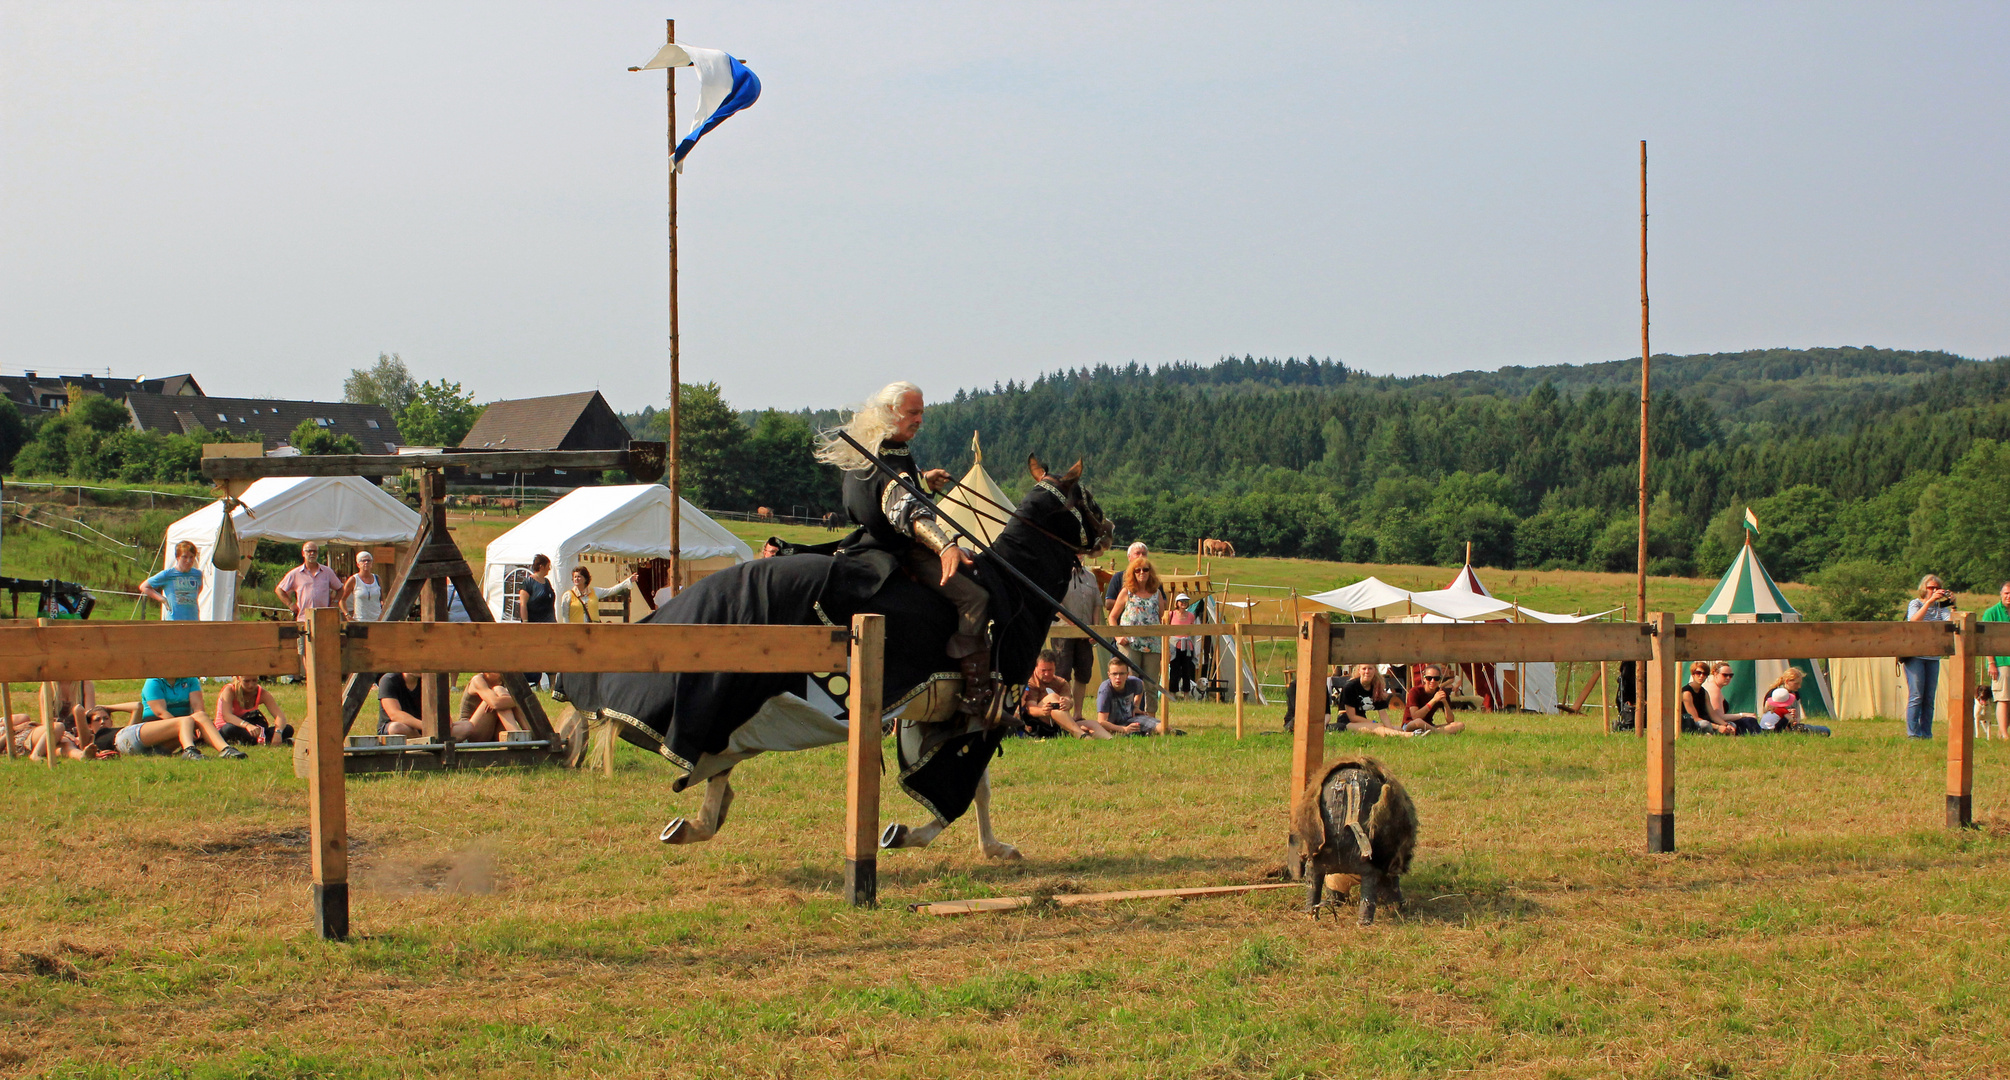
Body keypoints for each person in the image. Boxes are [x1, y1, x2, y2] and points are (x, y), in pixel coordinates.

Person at [817, 381, 994, 716]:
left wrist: (924, 481)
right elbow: (906, 511)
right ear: (890, 412)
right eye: (913, 412)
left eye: (921, 412)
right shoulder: (885, 456)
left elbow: (898, 492)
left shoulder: (881, 449)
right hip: (897, 548)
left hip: (880, 539)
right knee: (975, 598)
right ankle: (976, 695)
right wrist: (945, 548)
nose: (919, 420)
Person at [124, 676, 243, 759]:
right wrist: (186, 728)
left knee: (200, 715)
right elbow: (161, 712)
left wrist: (197, 728)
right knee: (185, 720)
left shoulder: (190, 680)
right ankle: (189, 749)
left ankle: (225, 749)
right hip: (157, 725)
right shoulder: (153, 682)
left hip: (184, 724)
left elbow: (198, 707)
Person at [1903, 574, 1957, 739]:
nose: (1934, 590)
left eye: (1936, 588)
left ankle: (1926, 734)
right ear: (1923, 589)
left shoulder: (1941, 608)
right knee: (1916, 695)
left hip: (1933, 656)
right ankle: (1913, 734)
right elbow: (1914, 620)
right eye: (1930, 588)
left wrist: (1953, 605)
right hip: (1915, 655)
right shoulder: (1916, 603)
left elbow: (1953, 623)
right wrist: (1929, 601)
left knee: (1929, 698)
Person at [1108, 556, 1165, 713]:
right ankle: (1129, 715)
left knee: (1151, 683)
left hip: (1152, 644)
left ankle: (1151, 718)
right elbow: (1112, 617)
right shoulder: (1127, 592)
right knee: (1131, 682)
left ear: (1150, 572)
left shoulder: (1157, 593)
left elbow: (1161, 618)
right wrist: (1118, 637)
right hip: (1130, 644)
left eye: (1145, 569)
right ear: (1132, 573)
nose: (1141, 573)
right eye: (1137, 570)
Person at [1021, 649, 1119, 739]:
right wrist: (1042, 711)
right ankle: (1080, 734)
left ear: (1055, 667)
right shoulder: (1031, 682)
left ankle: (1111, 740)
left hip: (1059, 725)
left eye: (1050, 670)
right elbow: (1031, 709)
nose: (1047, 673)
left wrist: (1068, 703)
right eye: (1043, 670)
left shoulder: (1061, 683)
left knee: (1092, 723)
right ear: (1035, 668)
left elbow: (1068, 700)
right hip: (1038, 724)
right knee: (1052, 697)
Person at [1049, 556, 1102, 712]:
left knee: (1083, 674)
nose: (1078, 556)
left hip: (1085, 634)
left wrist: (1095, 628)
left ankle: (1077, 714)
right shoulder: (1058, 574)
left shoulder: (1091, 576)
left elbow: (1097, 605)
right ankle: (1062, 714)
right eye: (1075, 552)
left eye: (1081, 553)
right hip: (1063, 631)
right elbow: (1055, 603)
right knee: (1062, 673)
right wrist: (1073, 624)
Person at [1335, 664, 1427, 738]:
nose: (1367, 671)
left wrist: (1391, 729)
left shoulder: (1375, 687)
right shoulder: (1350, 687)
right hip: (1347, 723)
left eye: (1370, 668)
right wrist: (1373, 722)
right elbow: (1352, 717)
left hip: (1363, 721)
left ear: (1375, 670)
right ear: (1359, 670)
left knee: (1397, 729)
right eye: (1364, 669)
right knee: (1378, 727)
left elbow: (1382, 713)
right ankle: (1411, 735)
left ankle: (1400, 734)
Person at [215, 674, 293, 746]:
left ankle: (253, 740)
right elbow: (227, 716)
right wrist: (247, 725)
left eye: (254, 680)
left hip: (250, 729)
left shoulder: (261, 692)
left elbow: (280, 716)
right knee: (229, 729)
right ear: (239, 678)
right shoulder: (230, 690)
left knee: (287, 729)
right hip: (228, 727)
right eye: (246, 681)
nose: (251, 685)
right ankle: (265, 740)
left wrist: (278, 732)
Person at [275, 542, 343, 621]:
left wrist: (335, 602)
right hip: (303, 618)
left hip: (323, 618)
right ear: (303, 553)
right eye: (309, 551)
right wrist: (290, 604)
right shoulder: (295, 573)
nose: (312, 553)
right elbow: (279, 590)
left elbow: (340, 588)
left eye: (315, 551)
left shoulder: (327, 572)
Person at [140, 540, 204, 621]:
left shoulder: (197, 574)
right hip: (174, 619)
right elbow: (144, 587)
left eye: (191, 557)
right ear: (178, 557)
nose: (188, 561)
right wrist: (163, 599)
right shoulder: (168, 574)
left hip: (193, 618)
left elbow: (199, 588)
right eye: (184, 557)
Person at [1760, 667, 1831, 736]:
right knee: (1824, 730)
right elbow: (1767, 714)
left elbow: (1797, 718)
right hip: (1777, 728)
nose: (1799, 686)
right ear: (1787, 681)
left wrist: (1794, 719)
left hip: (1791, 726)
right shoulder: (1773, 694)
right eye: (1796, 683)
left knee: (1825, 730)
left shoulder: (1795, 693)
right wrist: (1786, 713)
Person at [1096, 655, 1156, 735]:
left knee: (1161, 727)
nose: (1118, 677)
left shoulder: (1134, 682)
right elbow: (1101, 722)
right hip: (1114, 725)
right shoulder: (1105, 691)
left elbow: (1141, 684)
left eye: (1121, 674)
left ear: (1127, 675)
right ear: (1109, 675)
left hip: (1131, 719)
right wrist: (1124, 729)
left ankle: (1174, 733)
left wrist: (1136, 706)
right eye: (1114, 674)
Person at [556, 565, 638, 623]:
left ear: (585, 578)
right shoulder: (568, 595)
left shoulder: (595, 591)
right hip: (576, 631)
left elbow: (611, 590)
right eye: (575, 577)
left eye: (579, 576)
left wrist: (628, 581)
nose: (576, 579)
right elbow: (565, 615)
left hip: (593, 630)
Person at [458, 671, 525, 740]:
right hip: (471, 730)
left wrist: (505, 701)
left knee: (503, 696)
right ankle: (518, 735)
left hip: (495, 731)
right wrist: (521, 700)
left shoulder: (506, 680)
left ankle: (529, 733)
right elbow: (495, 703)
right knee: (499, 692)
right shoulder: (477, 680)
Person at [1982, 580, 2010, 740]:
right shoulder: (1991, 612)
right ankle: (2004, 734)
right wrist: (1991, 663)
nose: (2009, 596)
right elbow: (1985, 640)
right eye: (2006, 593)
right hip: (2000, 662)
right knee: (2003, 698)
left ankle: (2001, 731)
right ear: (2001, 594)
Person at [1702, 663, 1764, 735]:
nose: (1728, 678)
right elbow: (1720, 717)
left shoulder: (1713, 687)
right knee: (1749, 720)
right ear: (1715, 674)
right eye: (1725, 675)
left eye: (1731, 675)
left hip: (1715, 723)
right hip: (1715, 725)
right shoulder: (1714, 690)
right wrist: (1742, 715)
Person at [1403, 666, 1467, 734]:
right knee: (1418, 722)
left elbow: (1450, 720)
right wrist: (1434, 700)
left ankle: (1431, 732)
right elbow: (1415, 716)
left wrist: (1445, 702)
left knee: (1460, 725)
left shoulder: (1441, 692)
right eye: (1429, 678)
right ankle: (1437, 732)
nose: (1432, 681)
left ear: (1440, 679)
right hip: (1411, 724)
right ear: (1424, 678)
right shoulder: (1415, 691)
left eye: (1436, 678)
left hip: (1429, 725)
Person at [1680, 662, 1739, 735]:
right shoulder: (1686, 692)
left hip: (1706, 721)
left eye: (1704, 674)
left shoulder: (1704, 692)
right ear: (1693, 674)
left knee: (1732, 724)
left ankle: (1714, 733)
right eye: (1698, 673)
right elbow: (1694, 718)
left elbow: (1712, 714)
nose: (1701, 676)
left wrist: (1726, 725)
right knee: (1705, 724)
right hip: (1692, 723)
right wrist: (1717, 727)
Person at [377, 671, 427, 738]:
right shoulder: (389, 680)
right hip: (393, 729)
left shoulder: (429, 682)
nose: (418, 667)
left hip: (422, 728)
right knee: (396, 727)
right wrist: (427, 726)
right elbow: (395, 715)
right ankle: (423, 742)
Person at [1167, 593, 1199, 699]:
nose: (1184, 604)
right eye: (1181, 602)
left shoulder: (1190, 615)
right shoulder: (1171, 614)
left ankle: (1186, 693)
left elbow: (1192, 630)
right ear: (1177, 603)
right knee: (1174, 670)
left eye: (1186, 602)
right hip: (1174, 646)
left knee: (1187, 670)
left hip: (1187, 646)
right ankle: (1173, 692)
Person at [341, 550, 384, 622]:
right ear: (358, 564)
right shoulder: (353, 580)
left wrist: (383, 612)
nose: (366, 563)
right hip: (360, 620)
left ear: (372, 563)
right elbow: (342, 600)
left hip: (377, 620)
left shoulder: (377, 578)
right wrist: (347, 615)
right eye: (363, 561)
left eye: (368, 560)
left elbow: (382, 598)